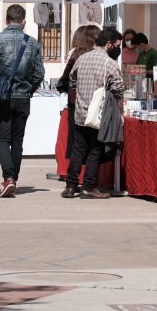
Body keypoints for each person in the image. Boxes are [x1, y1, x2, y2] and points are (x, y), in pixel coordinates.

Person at [0, 4, 45, 198]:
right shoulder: (33, 43)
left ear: (6, 20)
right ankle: (13, 179)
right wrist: (29, 89)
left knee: (3, 139)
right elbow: (39, 73)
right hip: (23, 96)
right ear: (24, 22)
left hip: (1, 97)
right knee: (18, 141)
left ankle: (8, 178)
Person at [65, 28, 125, 199]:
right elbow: (119, 88)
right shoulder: (109, 63)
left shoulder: (81, 58)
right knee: (94, 150)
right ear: (108, 44)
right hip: (98, 114)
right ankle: (89, 186)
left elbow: (72, 79)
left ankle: (70, 186)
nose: (118, 49)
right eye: (117, 45)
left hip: (80, 112)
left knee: (78, 149)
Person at [56, 24, 100, 173]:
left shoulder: (75, 54)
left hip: (76, 101)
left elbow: (65, 78)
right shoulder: (97, 56)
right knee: (94, 144)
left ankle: (72, 182)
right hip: (95, 101)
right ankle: (88, 181)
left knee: (78, 143)